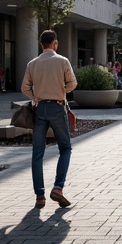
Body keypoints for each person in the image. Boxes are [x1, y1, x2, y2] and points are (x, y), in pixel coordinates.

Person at [21, 29, 78, 209]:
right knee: (65, 148)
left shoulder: (32, 63)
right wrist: (62, 90)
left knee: (38, 153)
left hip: (40, 108)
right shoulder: (62, 61)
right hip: (57, 106)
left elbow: (24, 87)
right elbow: (73, 83)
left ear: (41, 44)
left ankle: (40, 196)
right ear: (55, 43)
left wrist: (36, 95)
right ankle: (58, 188)